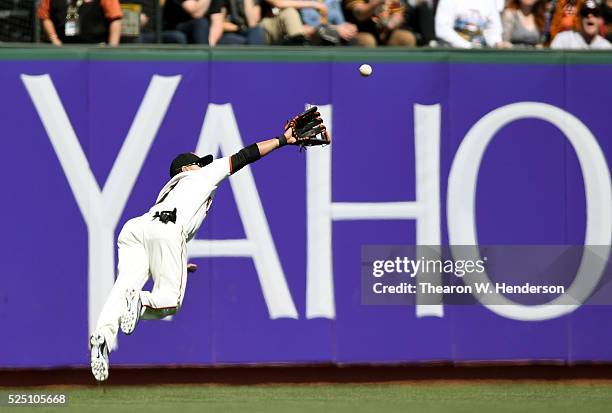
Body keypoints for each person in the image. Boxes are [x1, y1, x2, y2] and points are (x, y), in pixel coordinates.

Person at [89, 108, 330, 382]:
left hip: (136, 229)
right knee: (169, 302)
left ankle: (102, 337)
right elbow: (244, 156)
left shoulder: (169, 190)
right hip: (167, 231)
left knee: (122, 287)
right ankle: (141, 300)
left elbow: (160, 235)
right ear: (186, 168)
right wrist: (283, 140)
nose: (203, 164)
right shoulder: (200, 176)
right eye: (198, 162)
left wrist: (177, 262)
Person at [37, 0, 122, 45]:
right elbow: (44, 16)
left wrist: (112, 49)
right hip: (63, 49)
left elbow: (115, 19)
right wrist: (54, 40)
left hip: (97, 49)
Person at [343, 0, 417, 46]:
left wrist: (390, 24)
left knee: (406, 38)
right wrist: (377, 2)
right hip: (360, 32)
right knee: (367, 40)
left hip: (386, 34)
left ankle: (398, 70)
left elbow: (398, 14)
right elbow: (359, 14)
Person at [435, 0, 504, 48]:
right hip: (453, 53)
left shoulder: (489, 2)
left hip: (481, 52)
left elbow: (493, 28)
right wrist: (468, 46)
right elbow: (442, 29)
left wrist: (496, 43)